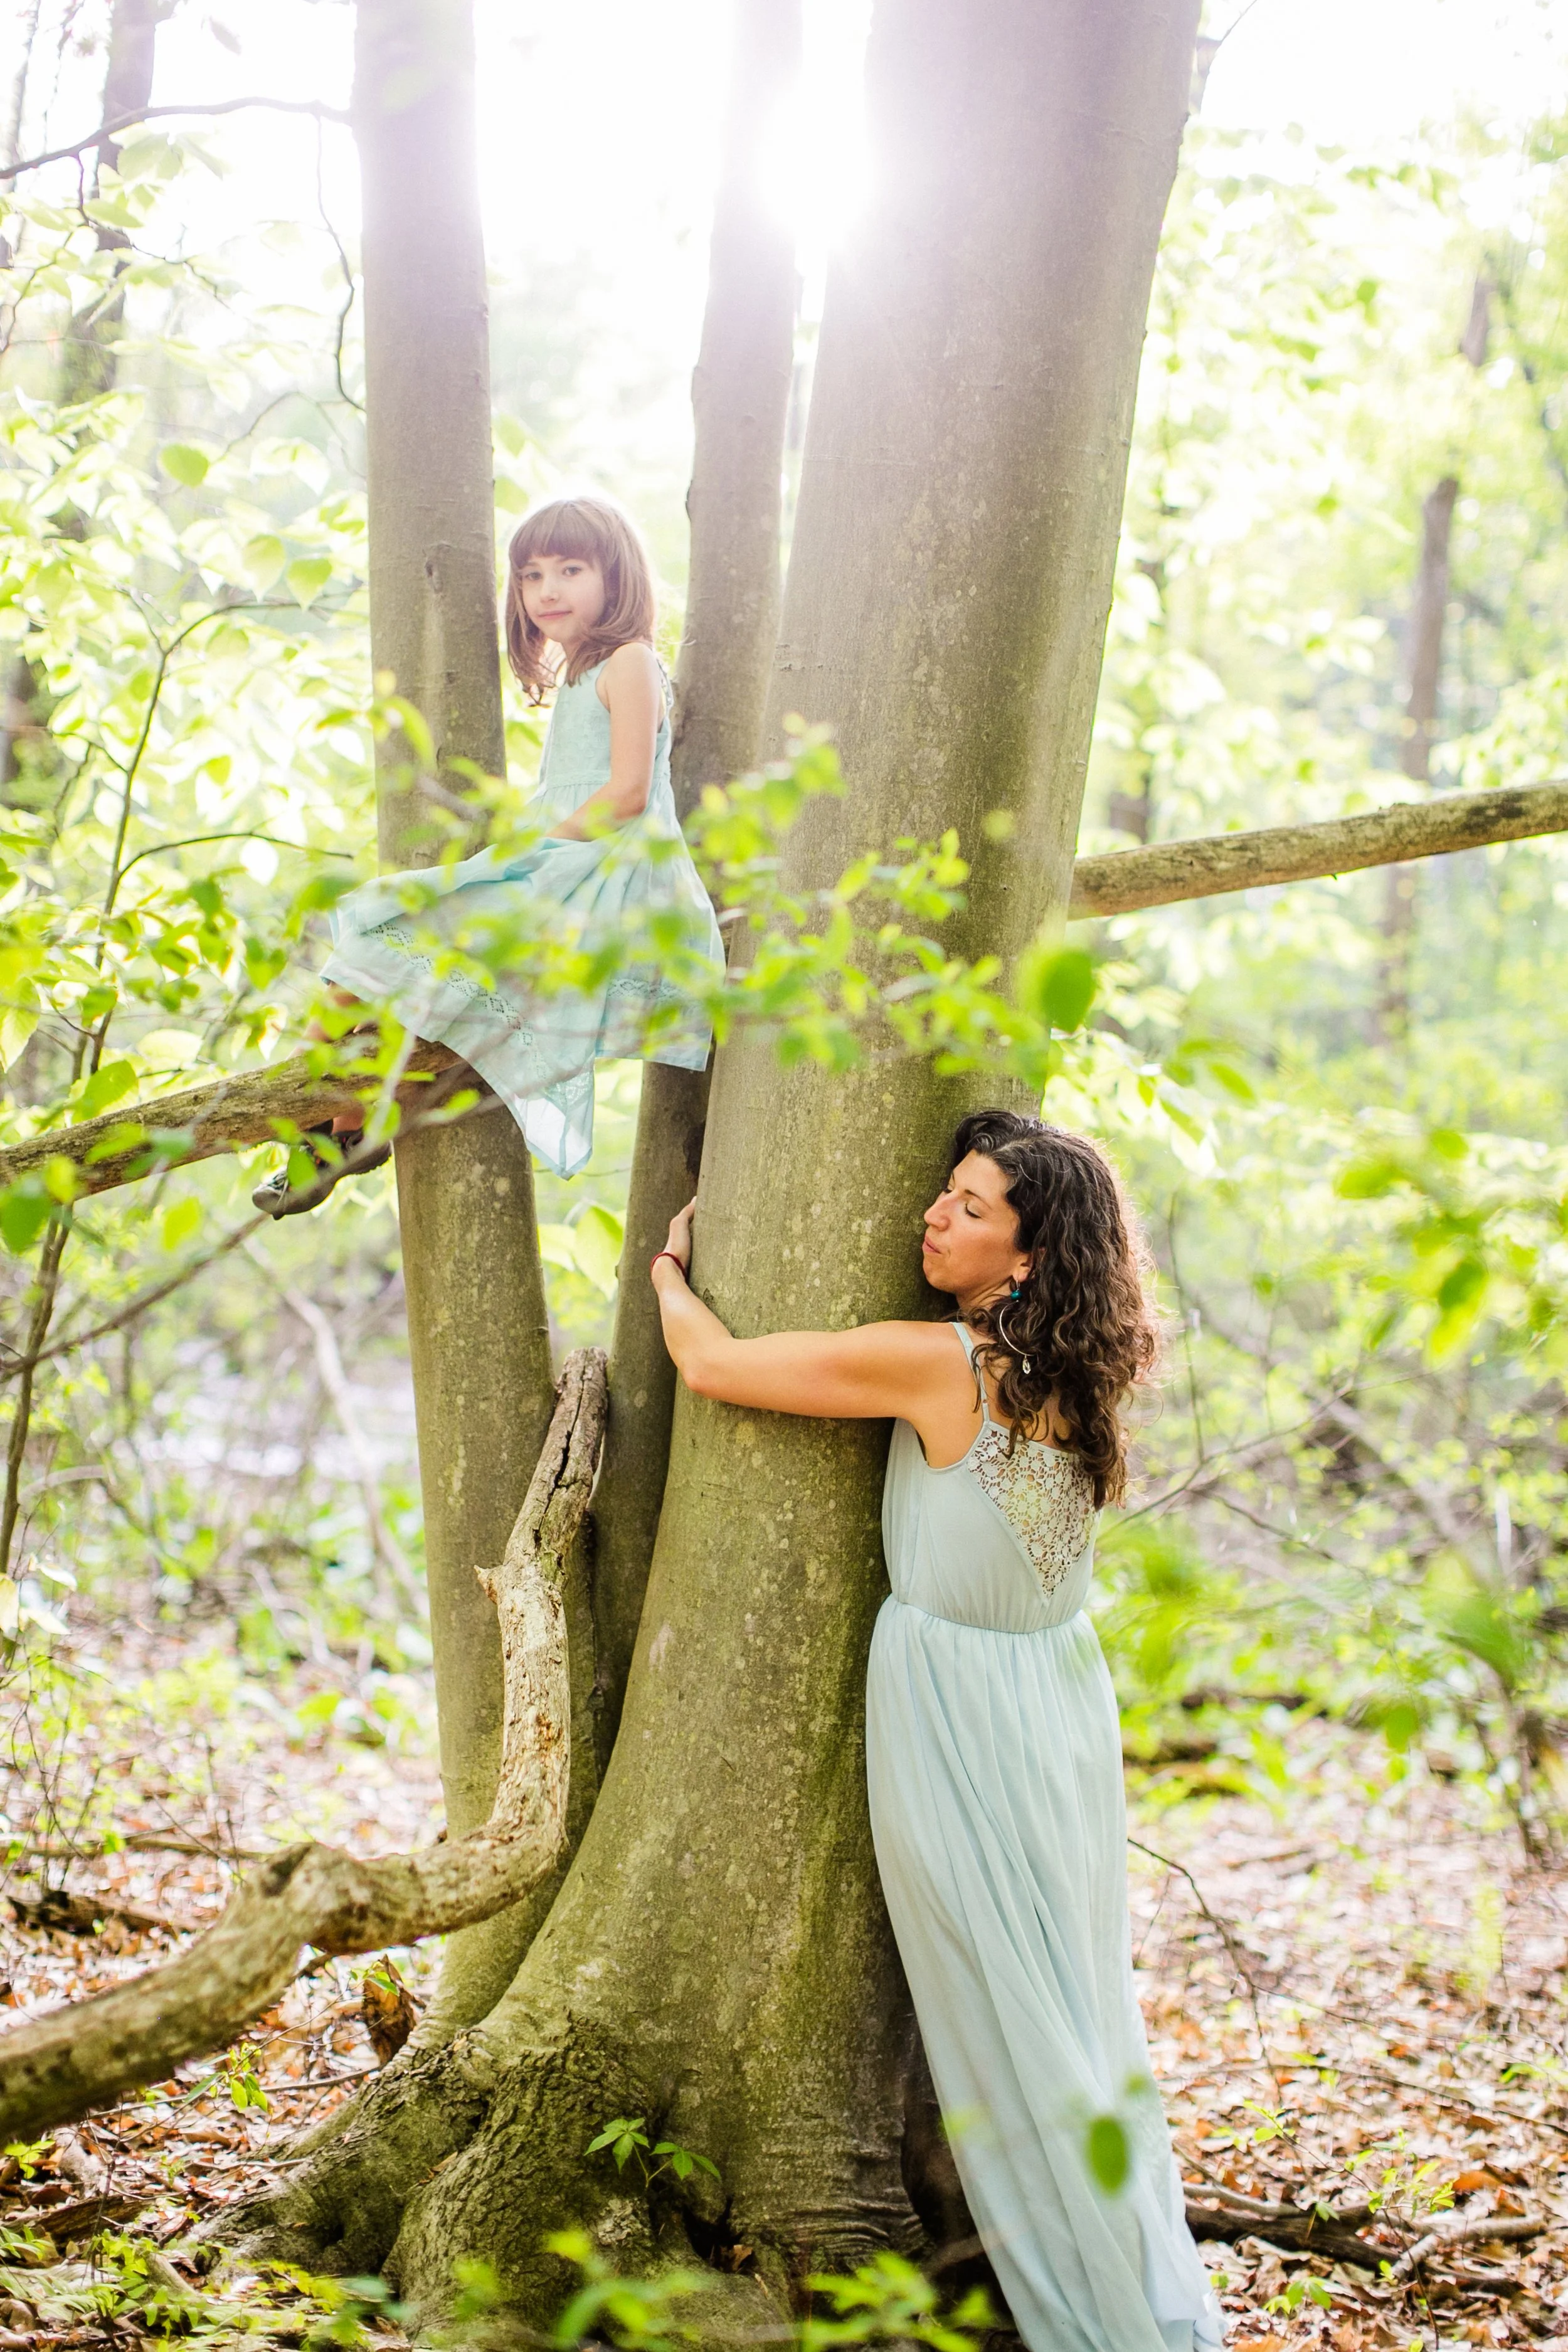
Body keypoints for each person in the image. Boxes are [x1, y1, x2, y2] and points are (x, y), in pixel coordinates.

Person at [649, 1110, 1224, 2352]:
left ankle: (1090, 2304)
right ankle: (1108, 2270)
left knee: (1010, 2009)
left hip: (965, 1707)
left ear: (1028, 1258)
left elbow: (712, 1366)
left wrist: (666, 1267)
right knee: (1062, 2002)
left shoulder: (942, 1365)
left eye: (971, 1208)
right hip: (1057, 1704)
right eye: (945, 1192)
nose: (934, 1215)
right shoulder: (1077, 1374)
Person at [253, 494, 724, 1214]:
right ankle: (336, 1128)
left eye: (570, 570)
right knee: (394, 951)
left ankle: (311, 1123)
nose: (548, 590)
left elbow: (628, 794)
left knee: (388, 924)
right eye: (532, 576)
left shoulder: (628, 661)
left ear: (617, 576)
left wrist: (524, 857)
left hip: (607, 877)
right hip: (568, 863)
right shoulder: (577, 674)